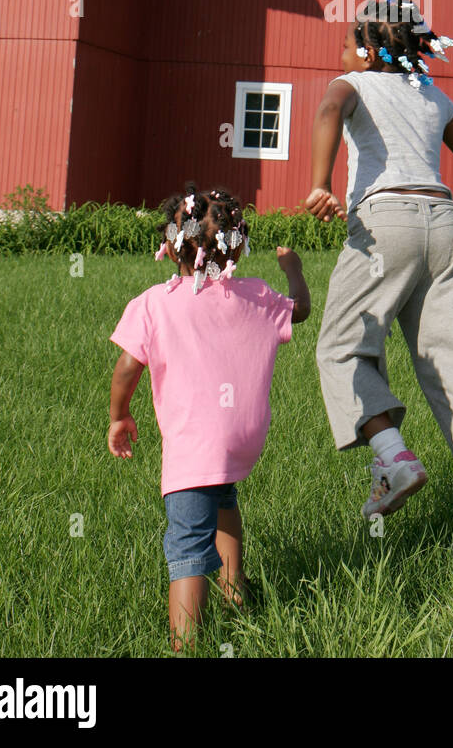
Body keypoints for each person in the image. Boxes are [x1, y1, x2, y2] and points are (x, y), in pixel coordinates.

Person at [307, 0, 453, 554]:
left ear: (367, 48)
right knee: (450, 356)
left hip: (385, 222)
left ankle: (394, 458)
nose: (343, 47)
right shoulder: (433, 95)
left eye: (349, 38)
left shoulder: (352, 82)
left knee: (340, 348)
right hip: (445, 222)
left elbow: (328, 111)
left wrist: (321, 182)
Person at [107, 184, 310, 650]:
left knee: (187, 545)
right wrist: (293, 269)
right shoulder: (256, 295)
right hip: (242, 438)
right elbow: (300, 310)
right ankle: (235, 591)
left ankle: (187, 645)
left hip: (193, 446)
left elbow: (126, 367)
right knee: (223, 500)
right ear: (236, 243)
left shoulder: (154, 303)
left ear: (171, 242)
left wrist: (119, 415)